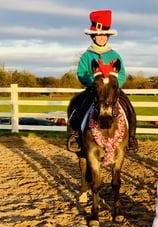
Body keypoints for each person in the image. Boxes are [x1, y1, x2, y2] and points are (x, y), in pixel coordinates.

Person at [67, 10, 138, 152]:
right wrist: (93, 83)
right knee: (78, 104)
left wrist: (115, 86)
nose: (101, 37)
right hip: (94, 90)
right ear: (93, 36)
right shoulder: (87, 55)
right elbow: (81, 73)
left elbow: (122, 73)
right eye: (98, 35)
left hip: (112, 90)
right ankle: (75, 136)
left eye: (104, 34)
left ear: (108, 36)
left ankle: (131, 138)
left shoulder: (114, 54)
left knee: (129, 107)